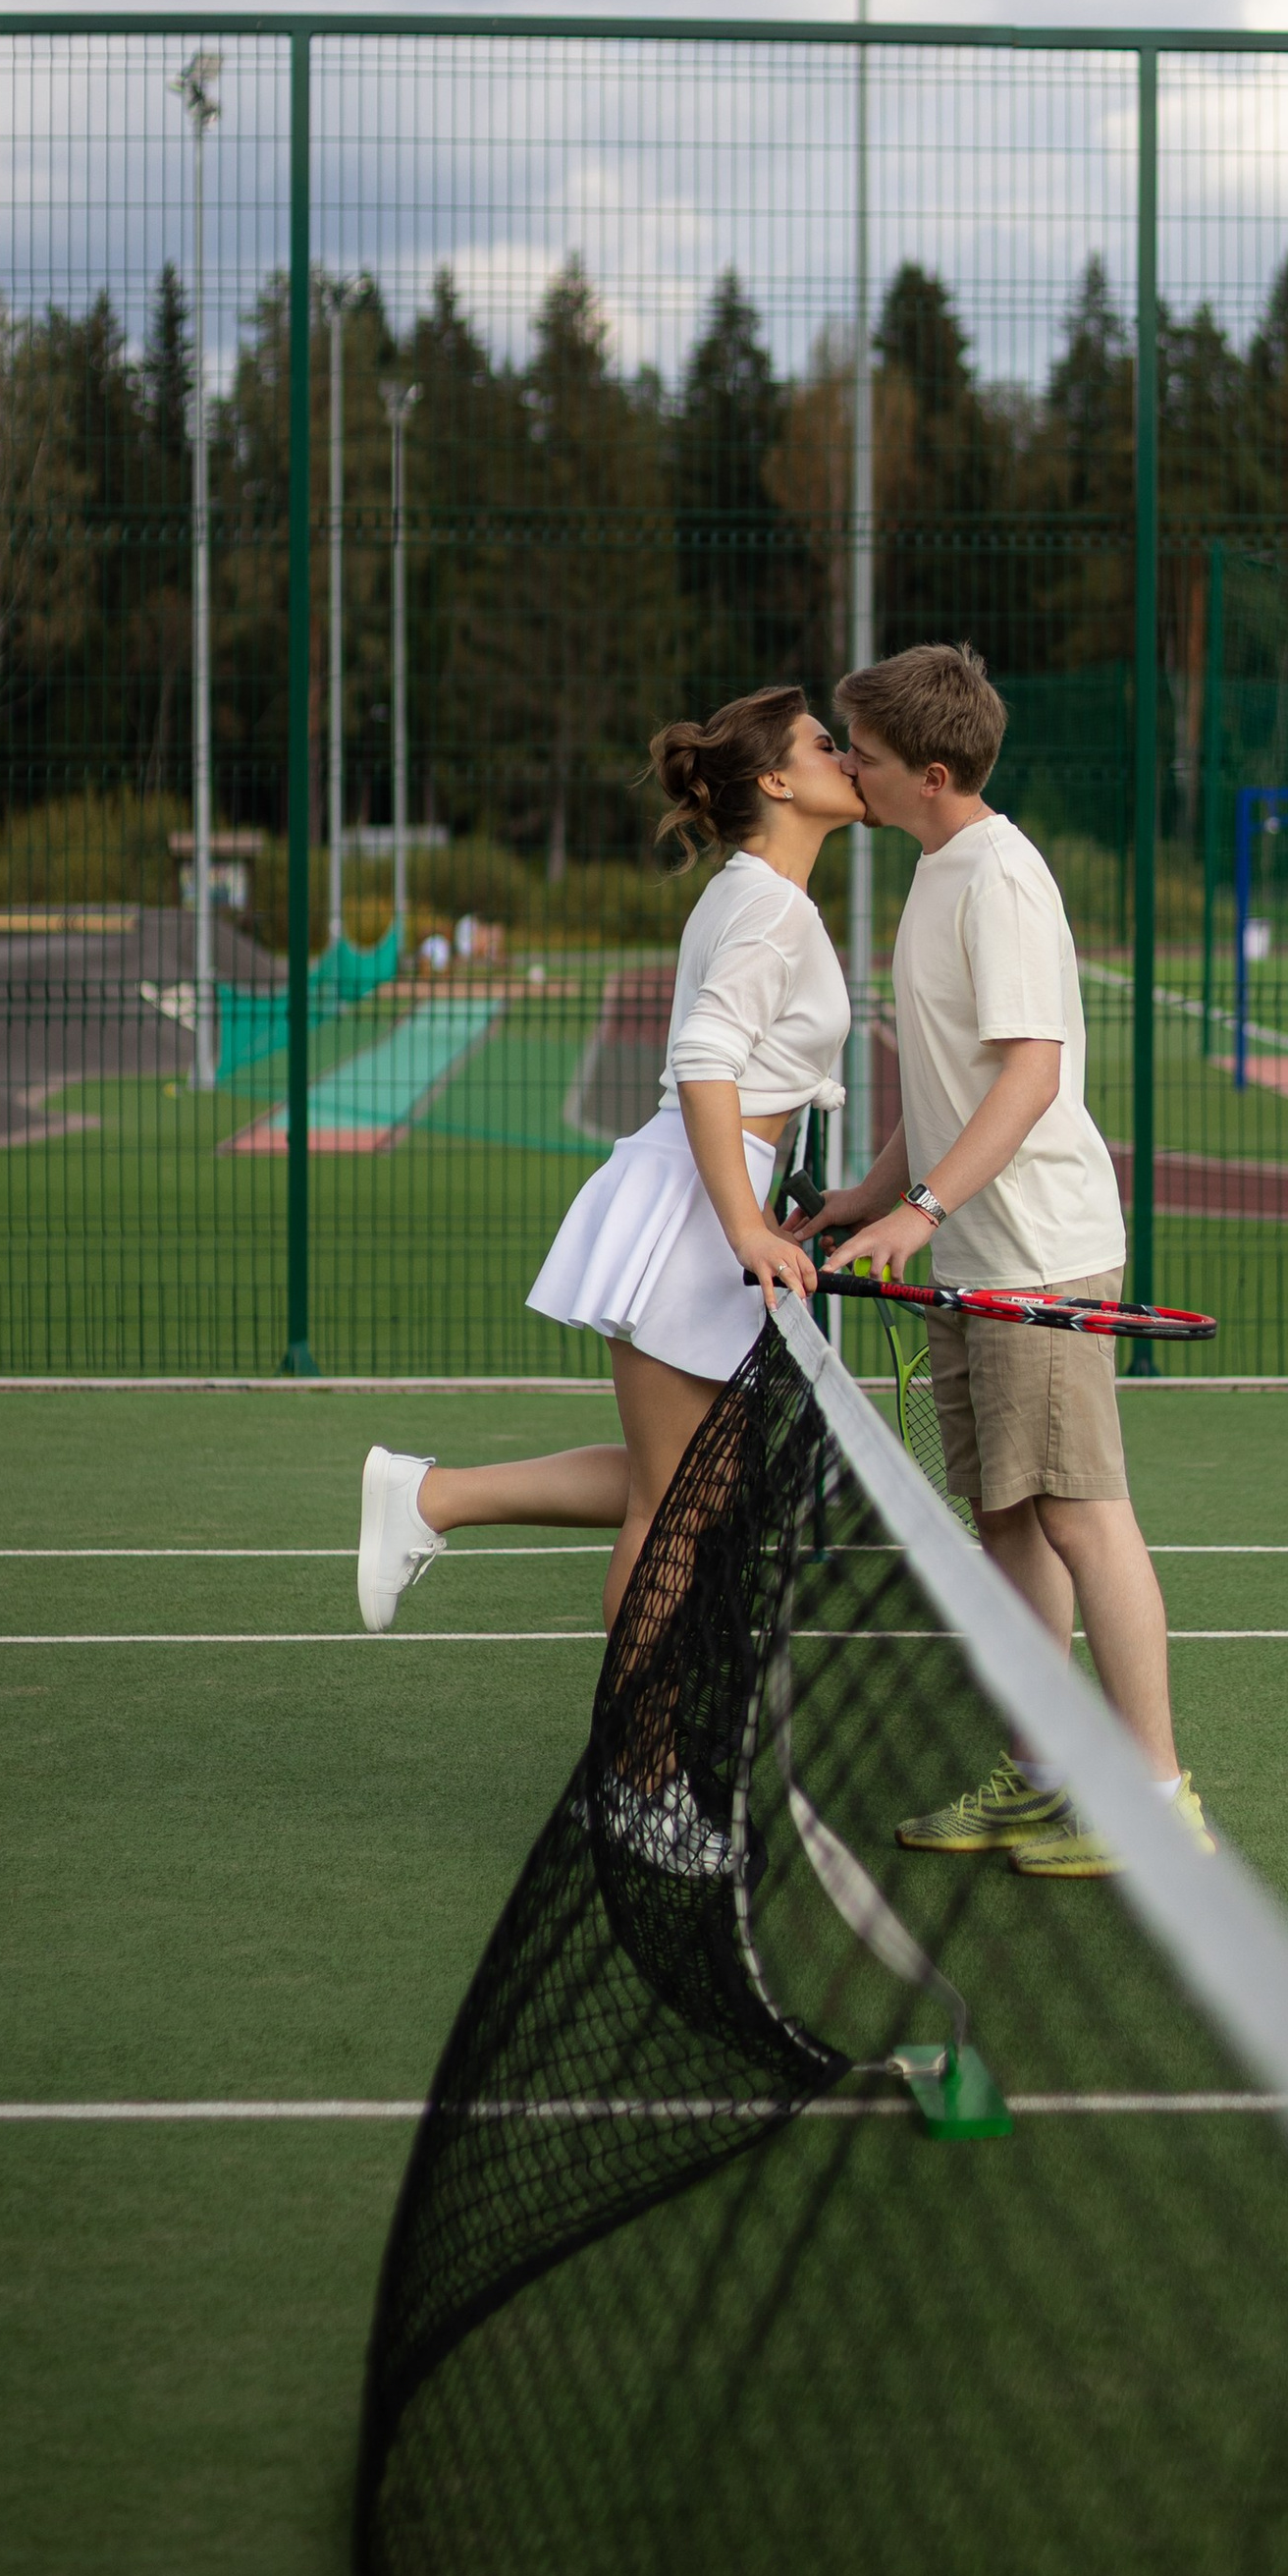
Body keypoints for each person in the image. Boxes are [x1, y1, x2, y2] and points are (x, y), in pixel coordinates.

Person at [355, 688, 860, 1867]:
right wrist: (744, 1226)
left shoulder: (760, 898)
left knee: (676, 1486)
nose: (846, 757)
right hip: (698, 1210)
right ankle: (633, 1784)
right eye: (823, 744)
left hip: (709, 1199)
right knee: (671, 1516)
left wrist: (770, 1199)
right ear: (778, 784)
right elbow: (701, 1063)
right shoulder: (767, 908)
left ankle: (429, 1499)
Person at [810, 641, 1209, 1879]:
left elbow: (1030, 1078)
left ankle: (1154, 1798)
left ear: (931, 773)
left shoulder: (1002, 879)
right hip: (969, 1253)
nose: (843, 771)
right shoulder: (937, 868)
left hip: (1036, 1261)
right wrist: (858, 1201)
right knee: (1007, 1523)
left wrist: (915, 1212)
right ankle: (1047, 1773)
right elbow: (948, 1085)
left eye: (860, 758)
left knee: (1085, 1519)